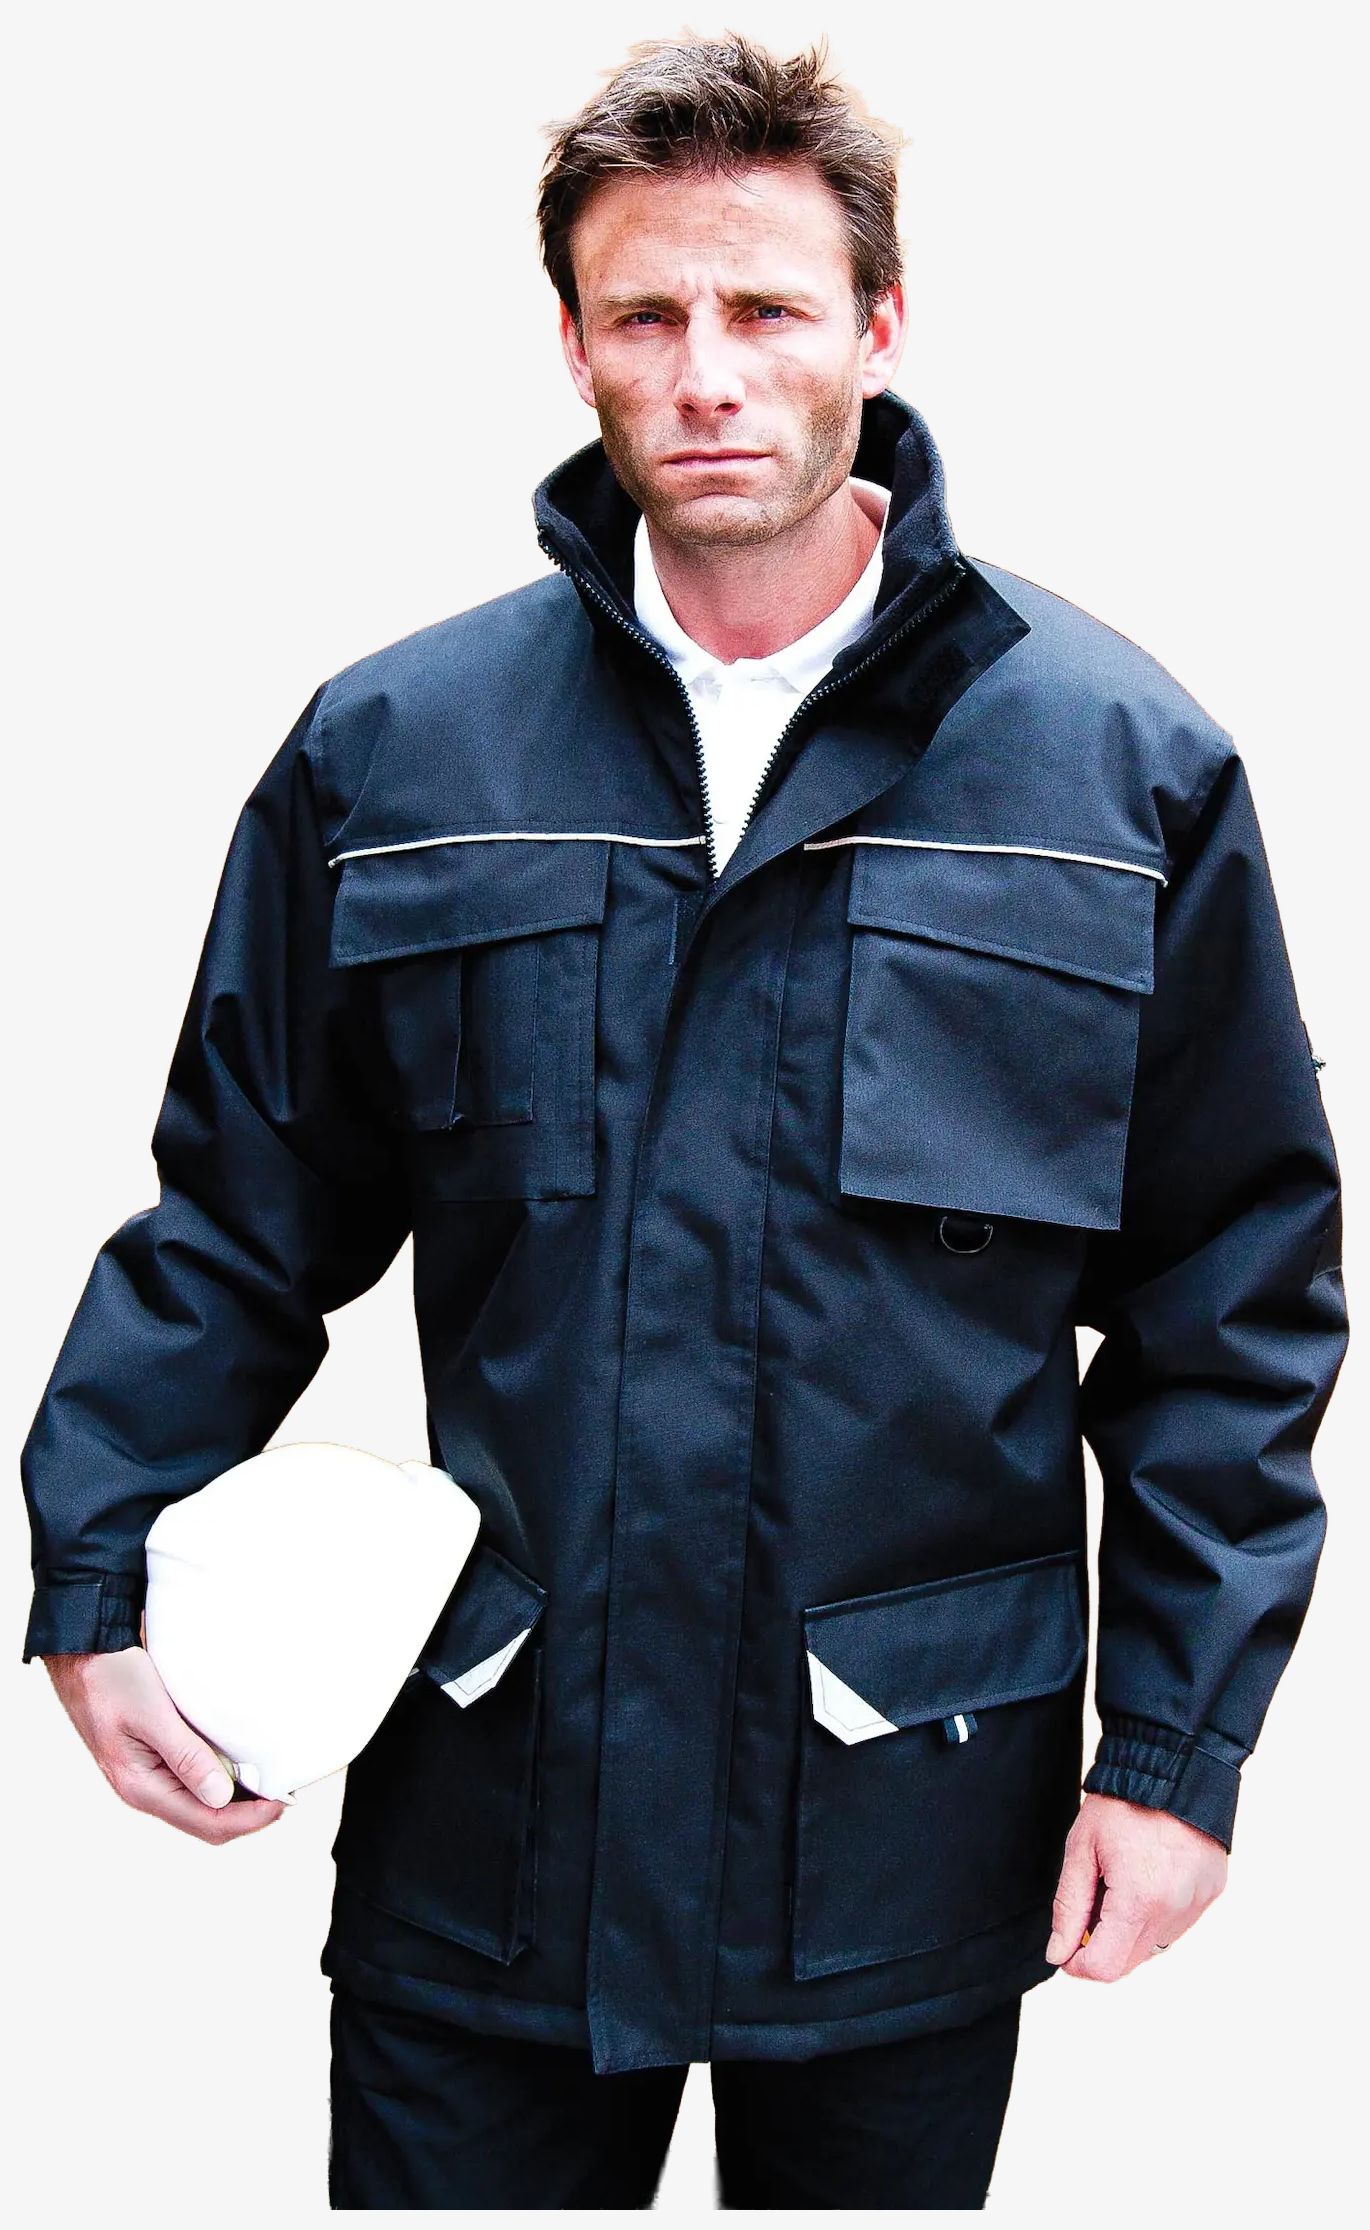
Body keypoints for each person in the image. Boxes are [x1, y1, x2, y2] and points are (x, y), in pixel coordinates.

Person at [19, 30, 1348, 2212]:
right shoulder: (400, 753)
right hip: (498, 1794)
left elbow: (1233, 1301)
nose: (707, 373)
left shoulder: (1115, 773)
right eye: (644, 315)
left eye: (765, 308)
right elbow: (236, 1216)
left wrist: (1179, 1751)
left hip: (909, 1807)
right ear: (572, 344)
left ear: (880, 324)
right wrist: (94, 1573)